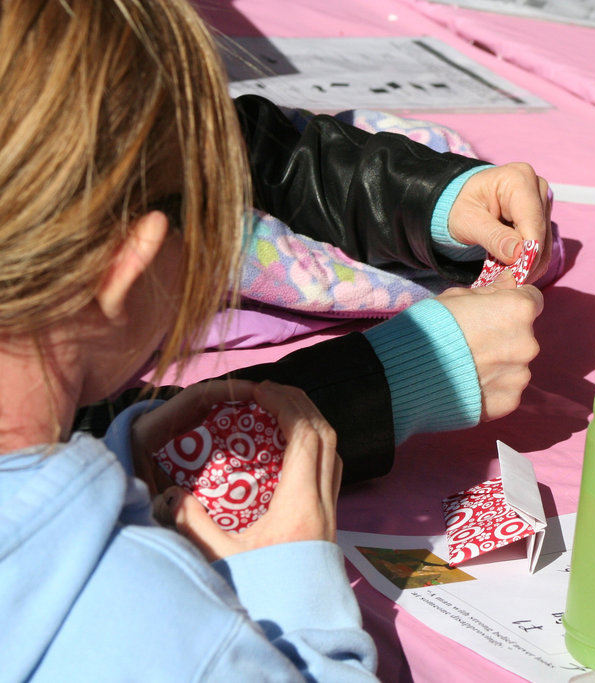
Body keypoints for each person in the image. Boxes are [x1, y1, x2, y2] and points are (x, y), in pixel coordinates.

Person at [0, 0, 546, 679]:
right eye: (210, 210)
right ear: (123, 267)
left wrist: (131, 454)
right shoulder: (154, 617)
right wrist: (294, 597)